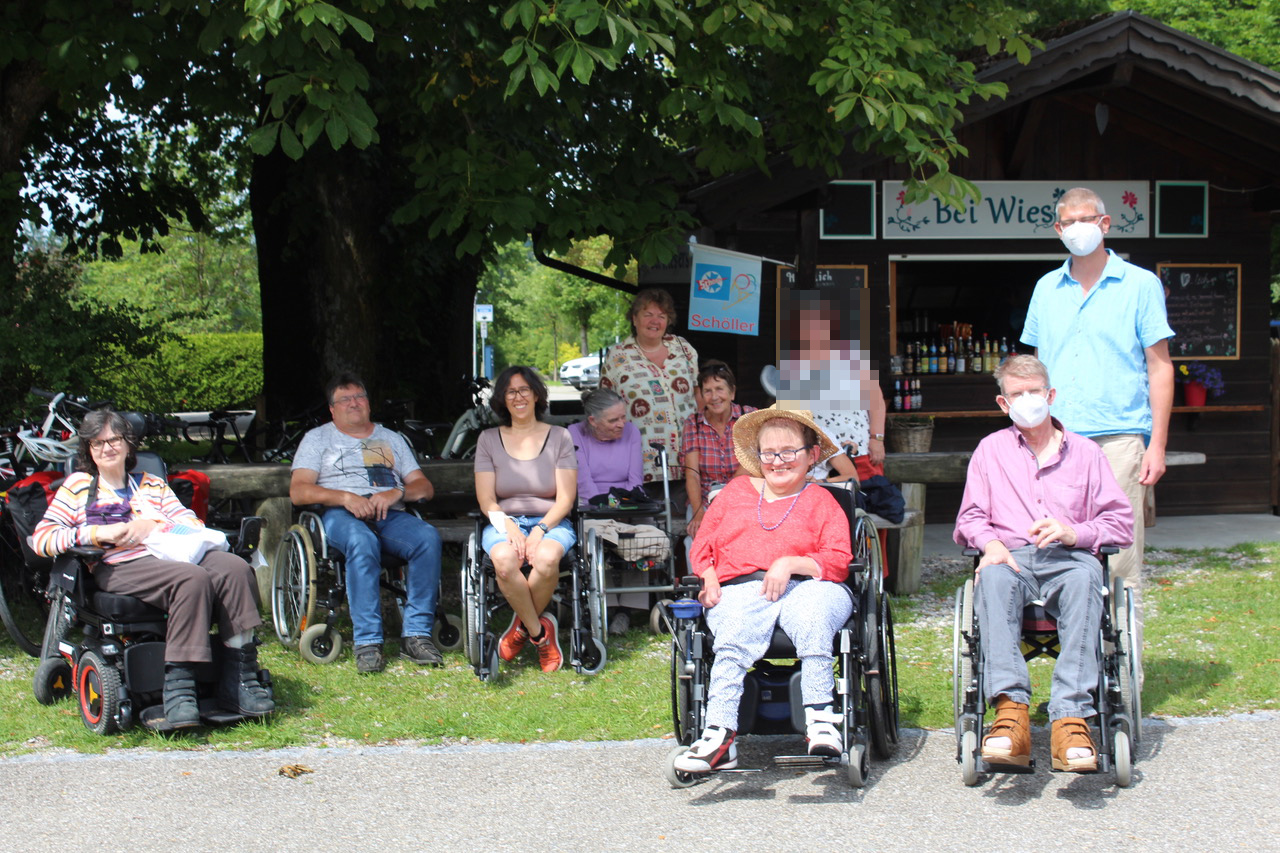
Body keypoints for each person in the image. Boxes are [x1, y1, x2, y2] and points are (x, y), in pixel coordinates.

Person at [33, 409, 274, 727]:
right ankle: (179, 689)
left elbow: (190, 520)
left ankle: (238, 680)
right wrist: (99, 533)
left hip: (172, 551)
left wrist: (156, 523)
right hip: (119, 563)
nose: (107, 448)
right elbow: (42, 538)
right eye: (98, 442)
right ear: (89, 450)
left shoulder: (150, 484)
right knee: (192, 578)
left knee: (235, 568)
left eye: (114, 440)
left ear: (127, 444)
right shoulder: (79, 486)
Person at [954, 354, 1133, 772]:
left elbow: (1120, 522)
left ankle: (1070, 718)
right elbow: (970, 517)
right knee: (992, 580)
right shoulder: (989, 451)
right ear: (1004, 404)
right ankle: (1010, 714)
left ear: (1050, 395)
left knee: (1085, 579)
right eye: (1018, 394)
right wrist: (989, 543)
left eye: (1034, 391)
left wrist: (1077, 533)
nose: (1028, 400)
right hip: (1011, 557)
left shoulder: (1086, 454)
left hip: (1067, 558)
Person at [1021, 186, 1175, 674]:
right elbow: (1032, 369)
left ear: (1106, 225)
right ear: (1058, 229)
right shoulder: (1046, 288)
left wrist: (1158, 445)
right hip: (1056, 441)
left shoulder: (1140, 284)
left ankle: (1120, 672)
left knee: (1120, 558)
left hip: (1120, 439)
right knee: (1055, 549)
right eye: (1069, 222)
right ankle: (1074, 664)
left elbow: (1160, 368)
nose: (1078, 228)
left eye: (1087, 219)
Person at [673, 408, 853, 773]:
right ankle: (719, 736)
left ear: (812, 455)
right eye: (768, 453)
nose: (778, 461)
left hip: (810, 585)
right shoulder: (735, 492)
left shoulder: (823, 501)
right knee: (733, 630)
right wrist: (706, 575)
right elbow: (702, 545)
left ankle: (821, 718)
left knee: (813, 614)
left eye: (789, 451)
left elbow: (838, 560)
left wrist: (789, 563)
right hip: (741, 588)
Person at [290, 372, 444, 674]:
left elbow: (424, 488)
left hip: (389, 514)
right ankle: (368, 642)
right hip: (338, 515)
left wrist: (395, 493)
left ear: (369, 404)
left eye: (359, 397)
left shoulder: (391, 439)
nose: (353, 403)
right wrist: (345, 497)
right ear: (332, 409)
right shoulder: (318, 439)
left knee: (427, 537)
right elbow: (299, 491)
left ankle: (417, 635)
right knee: (362, 541)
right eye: (344, 399)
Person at [475, 366, 578, 672]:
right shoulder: (488, 439)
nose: (518, 397)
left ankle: (520, 627)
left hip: (551, 520)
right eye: (510, 391)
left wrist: (540, 531)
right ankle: (539, 634)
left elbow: (565, 499)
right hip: (502, 521)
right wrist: (509, 527)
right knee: (504, 561)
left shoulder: (559, 437)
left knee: (546, 559)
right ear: (502, 400)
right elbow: (486, 500)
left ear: (536, 395)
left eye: (524, 390)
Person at [775, 289, 887, 482]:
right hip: (818, 455)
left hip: (858, 448)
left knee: (864, 499)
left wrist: (877, 439)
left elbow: (875, 399)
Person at [600, 288, 698, 489]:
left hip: (689, 459)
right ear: (634, 319)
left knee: (688, 517)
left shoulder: (683, 348)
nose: (655, 321)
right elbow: (604, 406)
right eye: (648, 315)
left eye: (661, 316)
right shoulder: (617, 356)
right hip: (640, 462)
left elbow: (698, 392)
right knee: (646, 518)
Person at [680, 361, 756, 539]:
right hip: (704, 500)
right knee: (696, 540)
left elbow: (749, 464)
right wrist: (698, 513)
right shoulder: (693, 424)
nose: (714, 397)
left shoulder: (749, 417)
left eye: (719, 389)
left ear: (732, 392)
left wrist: (723, 504)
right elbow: (692, 474)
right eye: (708, 391)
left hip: (742, 499)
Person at [567, 388, 643, 506]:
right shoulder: (575, 433)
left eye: (623, 417)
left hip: (628, 501)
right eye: (613, 420)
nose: (622, 424)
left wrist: (624, 504)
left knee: (647, 524)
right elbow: (583, 482)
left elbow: (635, 480)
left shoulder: (632, 431)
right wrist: (610, 505)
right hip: (591, 502)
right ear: (593, 421)